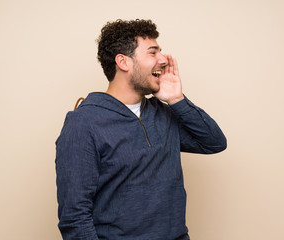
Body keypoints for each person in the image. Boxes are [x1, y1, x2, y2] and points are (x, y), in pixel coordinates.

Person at [55, 19, 227, 240]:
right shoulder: (84, 122)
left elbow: (213, 142)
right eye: (153, 53)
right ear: (123, 62)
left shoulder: (163, 113)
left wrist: (177, 99)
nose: (163, 60)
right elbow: (75, 218)